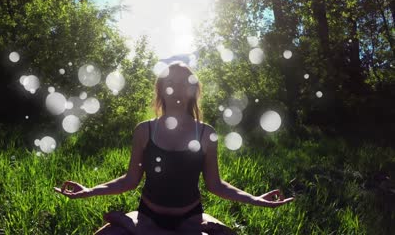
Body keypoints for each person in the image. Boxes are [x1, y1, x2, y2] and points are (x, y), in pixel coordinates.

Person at [54, 61, 294, 234]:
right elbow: (130, 181)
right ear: (160, 89)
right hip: (149, 216)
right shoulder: (144, 131)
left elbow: (216, 185)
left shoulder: (206, 133)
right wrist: (89, 191)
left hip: (189, 220)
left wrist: (257, 200)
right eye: (170, 83)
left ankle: (130, 224)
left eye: (184, 84)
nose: (177, 89)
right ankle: (132, 224)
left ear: (193, 91)